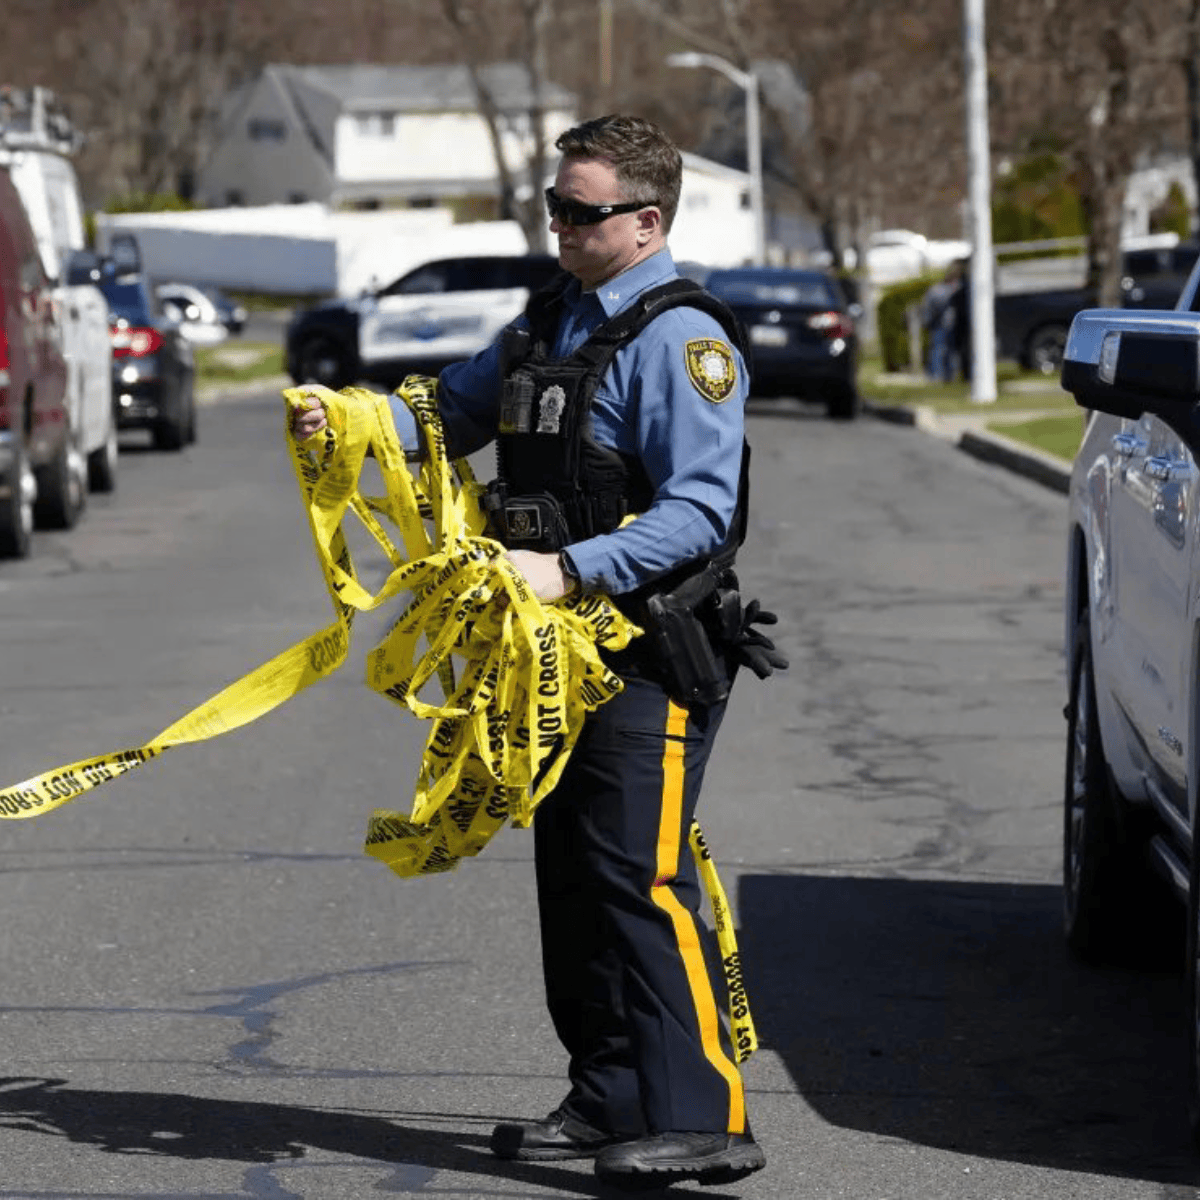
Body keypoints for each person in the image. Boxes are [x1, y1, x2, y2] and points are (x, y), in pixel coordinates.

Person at [291, 113, 782, 1190]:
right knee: (572, 876)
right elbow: (441, 414)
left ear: (646, 223)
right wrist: (352, 425)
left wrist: (572, 569)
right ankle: (609, 1091)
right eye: (552, 206)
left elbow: (703, 509)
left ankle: (707, 1114)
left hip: (649, 651)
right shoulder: (549, 321)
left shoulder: (682, 340)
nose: (555, 224)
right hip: (543, 658)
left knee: (636, 875)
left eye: (578, 210)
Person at [920, 263, 959, 383]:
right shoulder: (948, 289)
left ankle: (940, 374)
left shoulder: (937, 289)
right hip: (943, 324)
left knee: (940, 350)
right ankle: (943, 374)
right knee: (943, 350)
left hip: (942, 324)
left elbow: (926, 306)